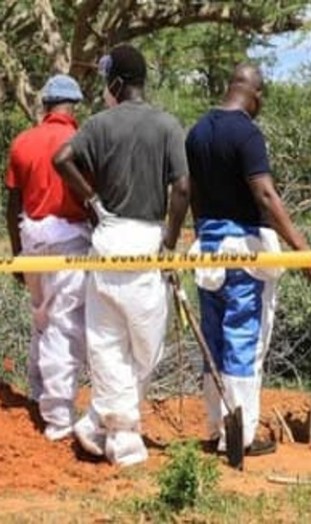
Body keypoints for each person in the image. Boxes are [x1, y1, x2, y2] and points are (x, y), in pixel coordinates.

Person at [53, 44, 191, 466]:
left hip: (107, 238)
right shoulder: (167, 125)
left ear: (117, 82)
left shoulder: (98, 124)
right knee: (146, 347)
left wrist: (93, 202)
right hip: (146, 241)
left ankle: (99, 421)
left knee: (107, 343)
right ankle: (124, 438)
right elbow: (183, 187)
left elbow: (62, 159)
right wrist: (171, 241)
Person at [185, 64, 311, 456]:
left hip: (208, 250)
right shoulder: (247, 133)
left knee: (214, 340)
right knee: (244, 339)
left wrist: (200, 236)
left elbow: (192, 193)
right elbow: (264, 194)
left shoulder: (197, 132)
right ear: (256, 95)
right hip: (243, 252)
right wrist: (302, 249)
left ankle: (217, 426)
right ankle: (239, 435)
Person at [4, 74, 90, 441]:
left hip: (32, 239)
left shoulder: (23, 141)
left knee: (41, 317)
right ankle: (58, 417)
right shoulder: (81, 141)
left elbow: (12, 206)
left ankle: (39, 393)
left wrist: (17, 255)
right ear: (74, 106)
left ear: (45, 105)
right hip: (70, 241)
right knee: (64, 325)